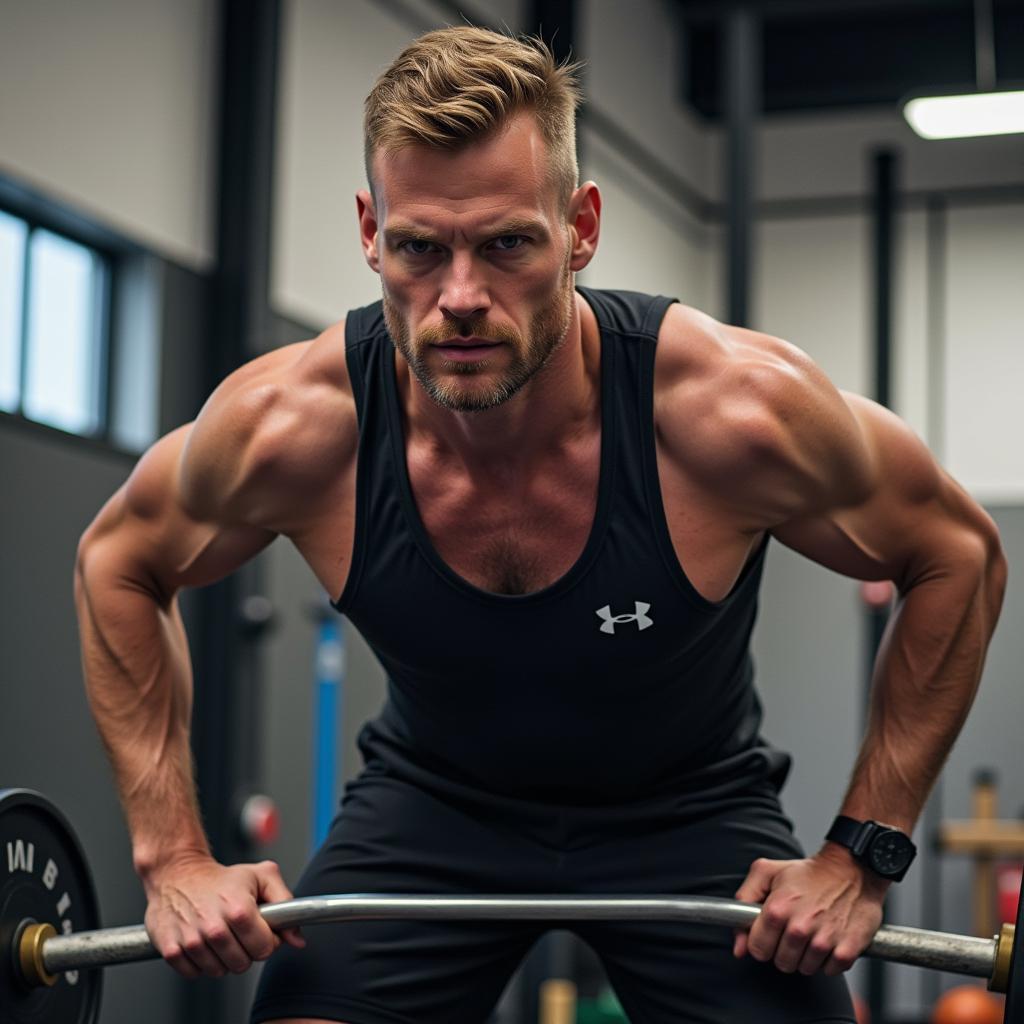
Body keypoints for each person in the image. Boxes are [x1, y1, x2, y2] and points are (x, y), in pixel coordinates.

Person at [74, 25, 1007, 1024]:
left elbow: (956, 552)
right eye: (420, 248)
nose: (461, 297)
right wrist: (170, 852)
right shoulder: (293, 428)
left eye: (508, 243)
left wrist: (861, 854)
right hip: (432, 807)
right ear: (367, 231)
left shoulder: (732, 412)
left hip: (689, 807)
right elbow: (118, 559)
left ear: (581, 226)